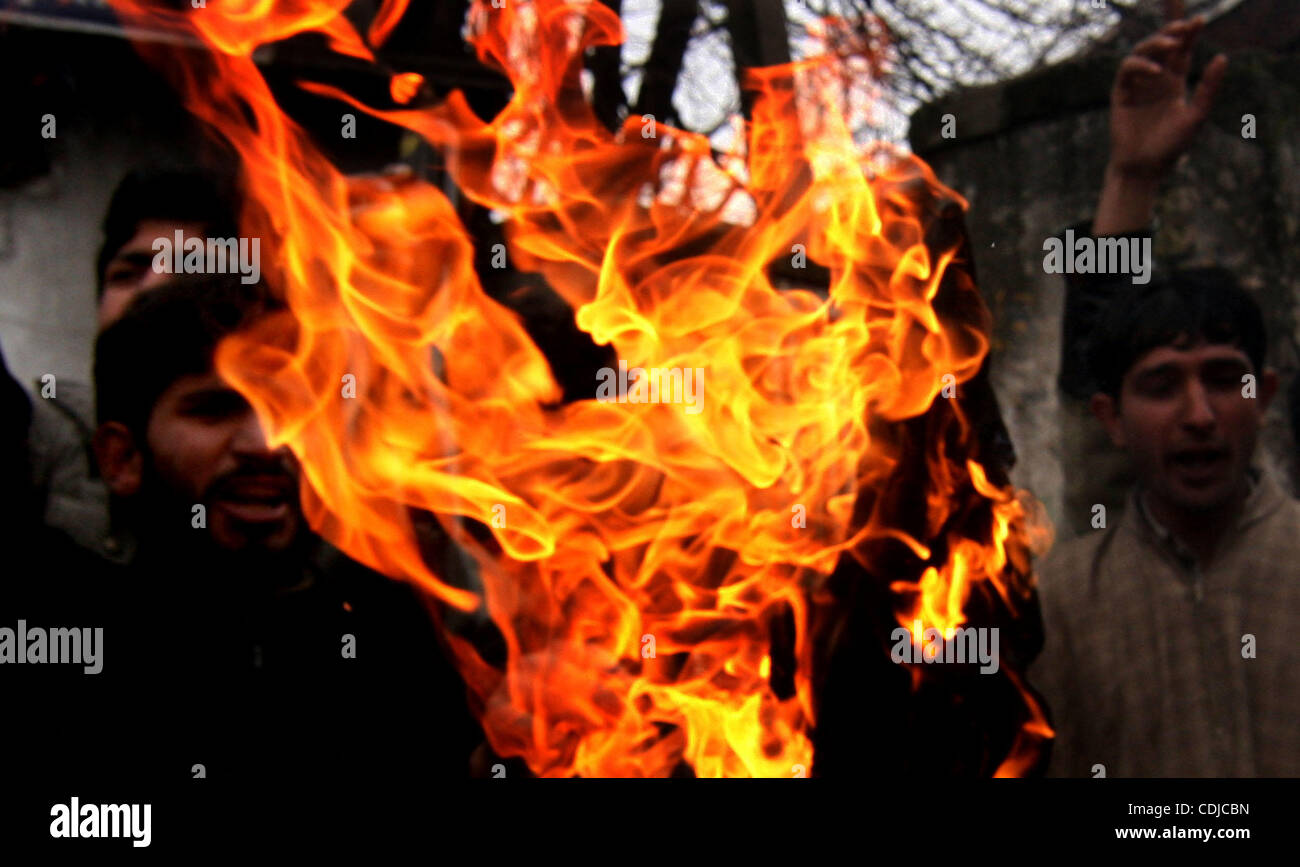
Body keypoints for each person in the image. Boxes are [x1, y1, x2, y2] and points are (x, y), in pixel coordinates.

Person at [2, 275, 483, 805]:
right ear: (121, 457)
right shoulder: (51, 633)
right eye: (215, 409)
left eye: (290, 410)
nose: (265, 444)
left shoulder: (391, 637)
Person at [1032, 9, 1300, 776]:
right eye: (1160, 386)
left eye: (1224, 377)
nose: (1198, 415)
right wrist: (1131, 176)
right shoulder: (1065, 604)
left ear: (1265, 391)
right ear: (1111, 419)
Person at [27, 167, 240, 562]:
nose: (152, 287)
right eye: (128, 273)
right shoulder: (37, 434)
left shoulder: (303, 454)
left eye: (188, 272)